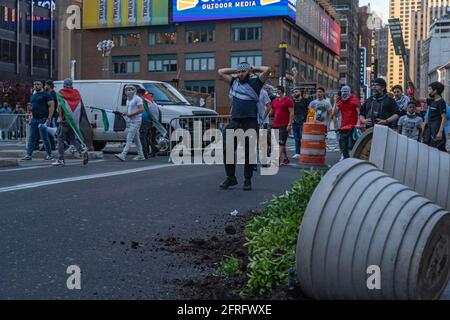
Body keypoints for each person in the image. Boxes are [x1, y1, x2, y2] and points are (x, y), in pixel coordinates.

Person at [218, 62, 271, 191]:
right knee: (228, 149)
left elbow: (267, 69)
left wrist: (253, 69)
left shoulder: (256, 83)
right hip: (235, 121)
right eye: (239, 72)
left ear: (249, 72)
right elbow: (220, 71)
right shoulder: (234, 82)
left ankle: (247, 180)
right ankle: (231, 177)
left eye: (243, 71)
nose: (241, 74)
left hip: (250, 122)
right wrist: (236, 69)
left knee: (249, 152)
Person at [52, 78, 89, 166]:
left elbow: (60, 106)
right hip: (73, 121)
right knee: (72, 139)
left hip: (65, 120)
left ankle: (61, 159)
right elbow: (80, 106)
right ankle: (82, 151)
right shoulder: (76, 93)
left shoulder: (61, 93)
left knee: (60, 139)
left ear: (64, 84)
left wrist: (61, 118)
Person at [21, 80, 55, 161]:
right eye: (34, 84)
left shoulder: (47, 94)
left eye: (38, 84)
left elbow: (51, 106)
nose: (36, 86)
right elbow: (32, 106)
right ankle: (28, 155)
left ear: (42, 85)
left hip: (43, 119)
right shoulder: (33, 95)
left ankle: (49, 155)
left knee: (44, 138)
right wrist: (30, 113)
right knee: (32, 137)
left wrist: (49, 118)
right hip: (34, 119)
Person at [114, 85, 145, 161]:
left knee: (129, 137)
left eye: (131, 89)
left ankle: (123, 154)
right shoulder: (128, 100)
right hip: (131, 121)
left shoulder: (137, 99)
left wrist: (131, 115)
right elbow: (129, 110)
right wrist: (126, 113)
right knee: (136, 139)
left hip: (136, 121)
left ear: (134, 90)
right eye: (127, 89)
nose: (129, 90)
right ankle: (141, 155)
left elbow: (141, 109)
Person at [268, 86, 294, 165]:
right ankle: (286, 159)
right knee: (279, 143)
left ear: (281, 91)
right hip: (275, 124)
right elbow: (271, 112)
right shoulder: (275, 101)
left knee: (281, 143)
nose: (276, 92)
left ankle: (276, 159)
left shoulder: (288, 100)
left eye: (277, 90)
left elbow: (292, 113)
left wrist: (289, 124)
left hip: (284, 124)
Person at [334, 85, 360, 159]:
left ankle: (354, 158)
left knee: (353, 144)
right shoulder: (341, 101)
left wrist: (358, 123)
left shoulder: (354, 100)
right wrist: (335, 102)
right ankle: (346, 159)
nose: (344, 93)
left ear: (349, 92)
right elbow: (335, 113)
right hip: (343, 126)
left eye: (345, 91)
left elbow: (359, 112)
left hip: (353, 126)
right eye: (342, 92)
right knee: (343, 145)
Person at [422, 82, 447, 151]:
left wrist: (440, 132)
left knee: (439, 151)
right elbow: (418, 98)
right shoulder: (432, 101)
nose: (428, 91)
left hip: (436, 131)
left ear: (435, 91)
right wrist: (412, 87)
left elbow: (444, 118)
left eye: (430, 89)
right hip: (429, 130)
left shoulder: (441, 102)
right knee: (427, 150)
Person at [137, 89, 159, 159]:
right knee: (145, 137)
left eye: (137, 94)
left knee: (142, 137)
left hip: (145, 120)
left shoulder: (143, 100)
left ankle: (145, 153)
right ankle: (152, 149)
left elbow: (144, 111)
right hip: (150, 121)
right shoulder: (151, 101)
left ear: (140, 94)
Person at [291, 88, 310, 159]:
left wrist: (308, 121)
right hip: (294, 122)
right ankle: (297, 153)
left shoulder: (306, 101)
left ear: (300, 92)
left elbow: (310, 111)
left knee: (303, 138)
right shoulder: (292, 101)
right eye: (294, 92)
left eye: (296, 91)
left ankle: (304, 152)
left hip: (303, 122)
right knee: (296, 138)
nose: (295, 93)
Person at [45, 80, 58, 150]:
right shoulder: (49, 93)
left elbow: (53, 106)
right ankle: (51, 145)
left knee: (52, 131)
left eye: (46, 85)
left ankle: (64, 144)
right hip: (51, 115)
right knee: (50, 131)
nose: (45, 86)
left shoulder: (52, 94)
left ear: (49, 86)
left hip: (52, 116)